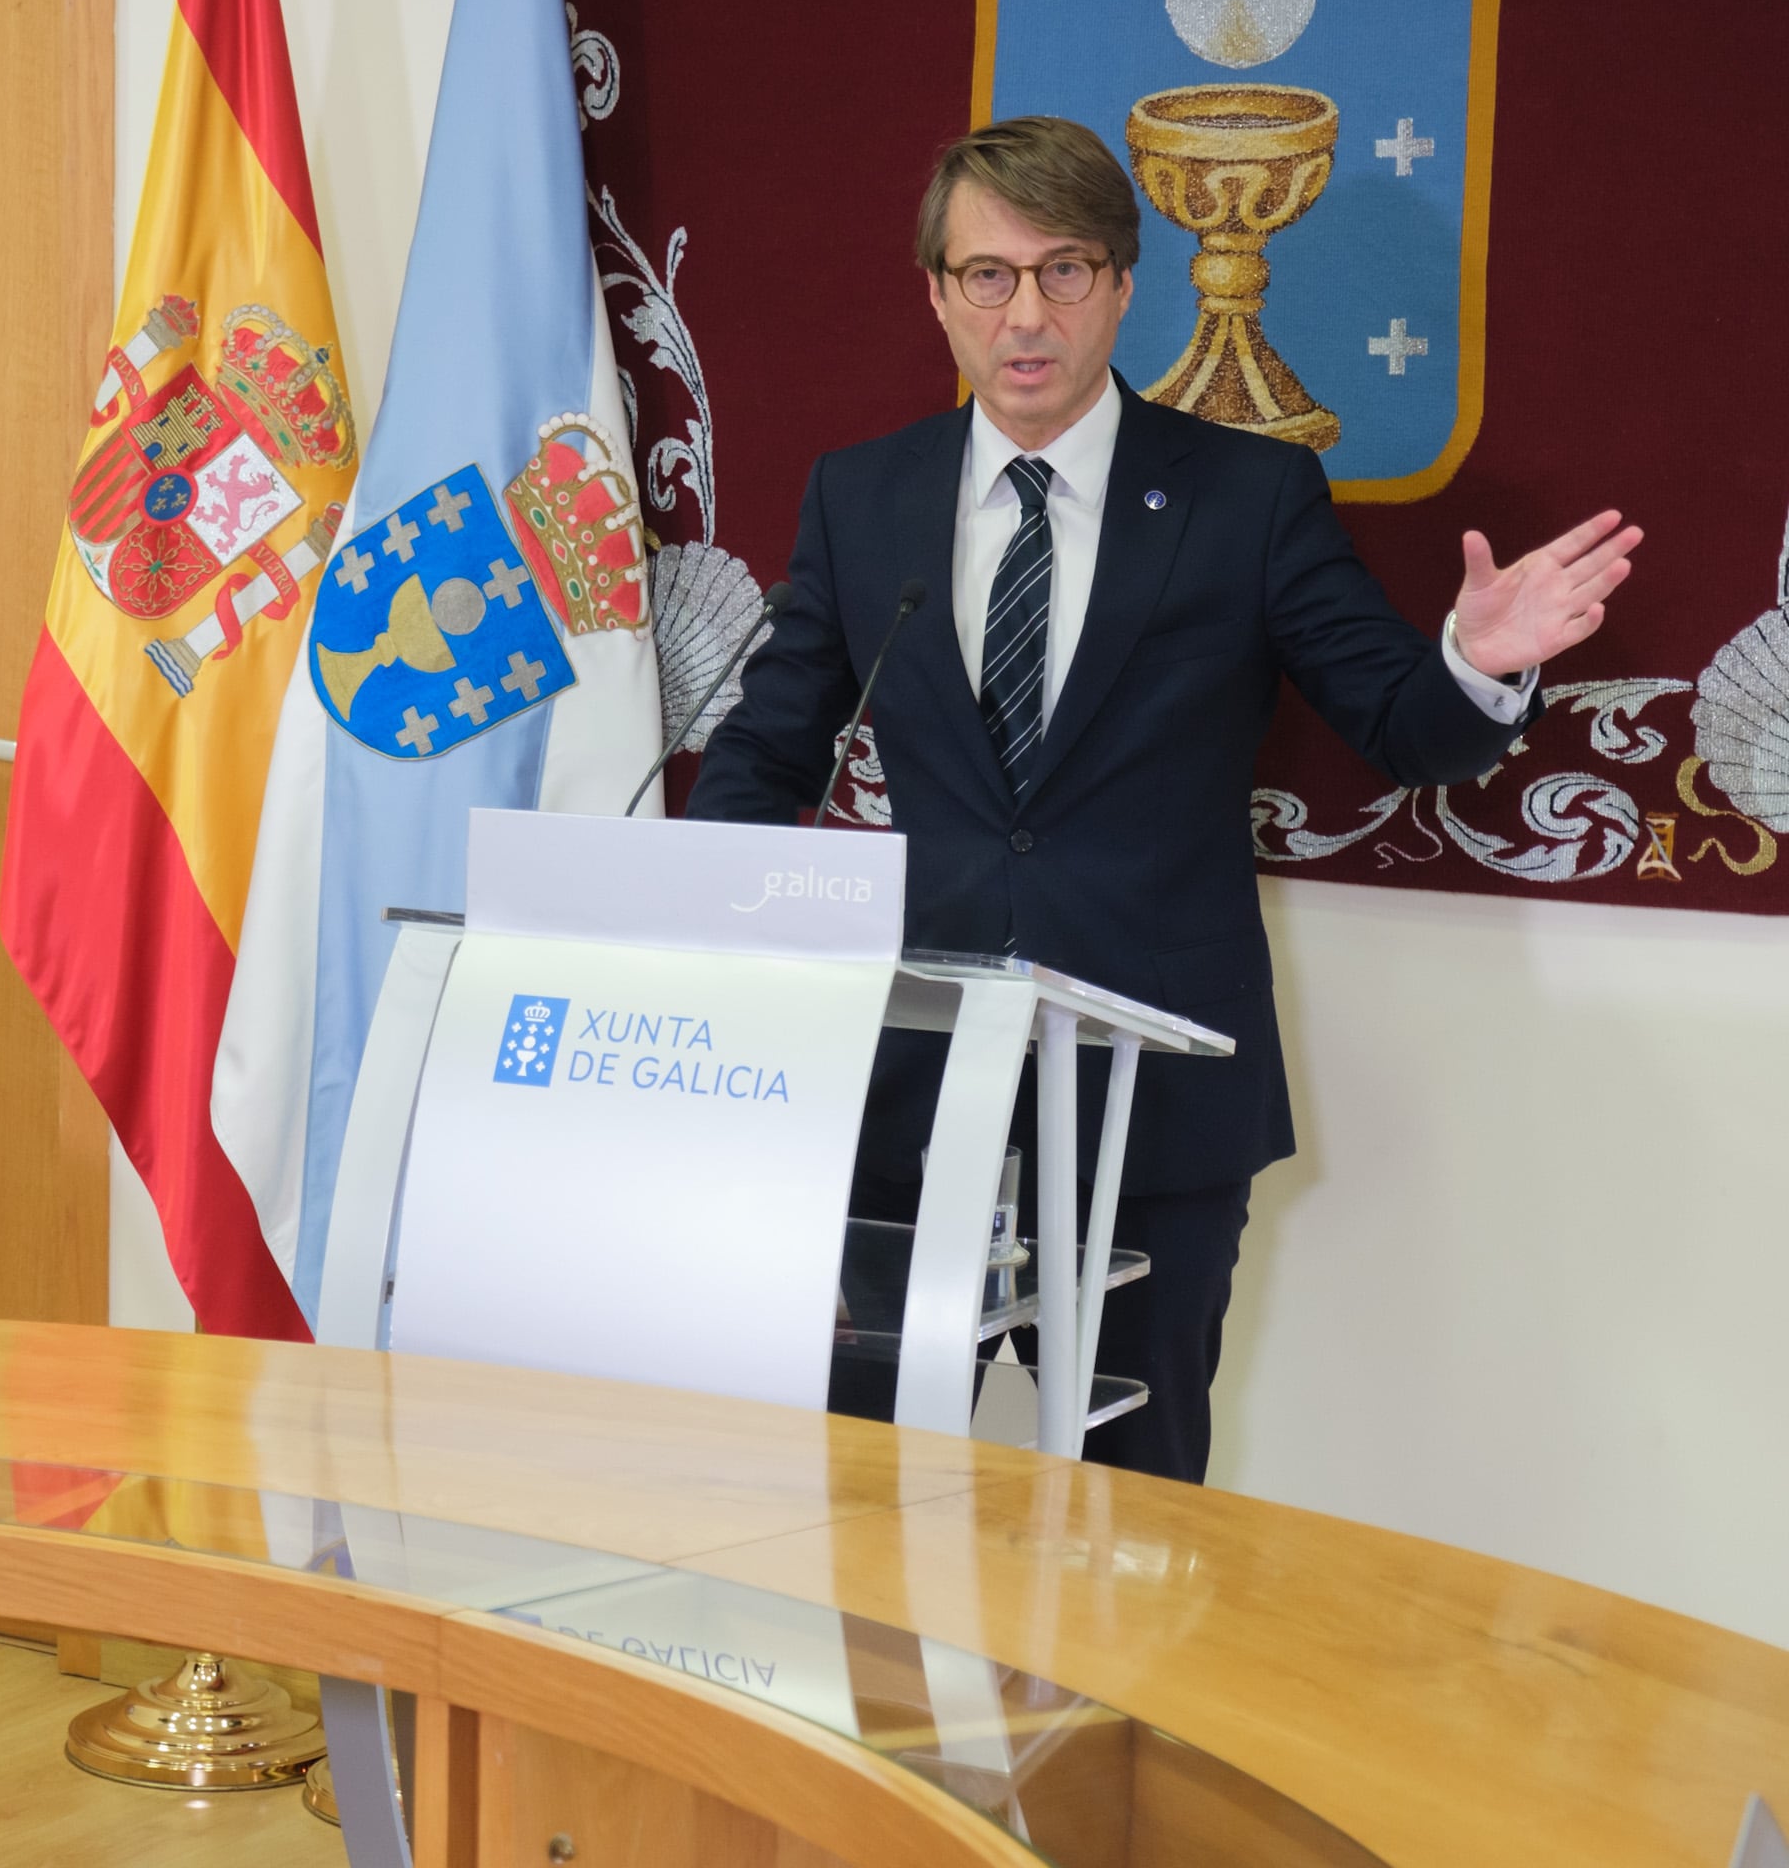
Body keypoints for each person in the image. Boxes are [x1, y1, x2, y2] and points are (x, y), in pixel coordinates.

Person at [690, 118, 1638, 1485]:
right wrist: (699, 941)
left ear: (1125, 286)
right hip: (911, 1094)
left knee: (1139, 1495)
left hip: (1155, 1095)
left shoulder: (1247, 498)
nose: (1027, 315)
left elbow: (1397, 725)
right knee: (867, 1487)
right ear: (938, 296)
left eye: (1064, 272)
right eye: (988, 276)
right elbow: (765, 752)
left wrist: (1476, 667)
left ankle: (1123, 1712)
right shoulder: (865, 497)